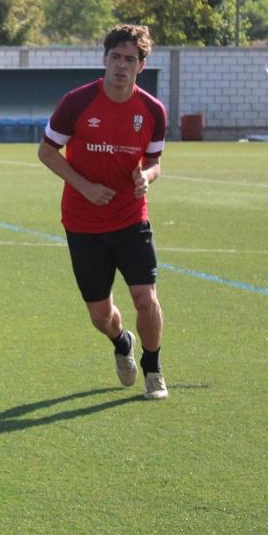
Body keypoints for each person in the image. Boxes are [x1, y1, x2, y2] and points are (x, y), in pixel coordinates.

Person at [37, 24, 169, 400]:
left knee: (145, 297)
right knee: (100, 316)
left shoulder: (152, 111)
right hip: (83, 223)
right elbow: (46, 152)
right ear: (104, 59)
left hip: (131, 218)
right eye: (115, 57)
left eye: (130, 59)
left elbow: (156, 163)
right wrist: (85, 186)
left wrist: (146, 176)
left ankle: (153, 367)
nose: (121, 65)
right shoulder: (76, 103)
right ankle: (121, 341)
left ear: (141, 66)